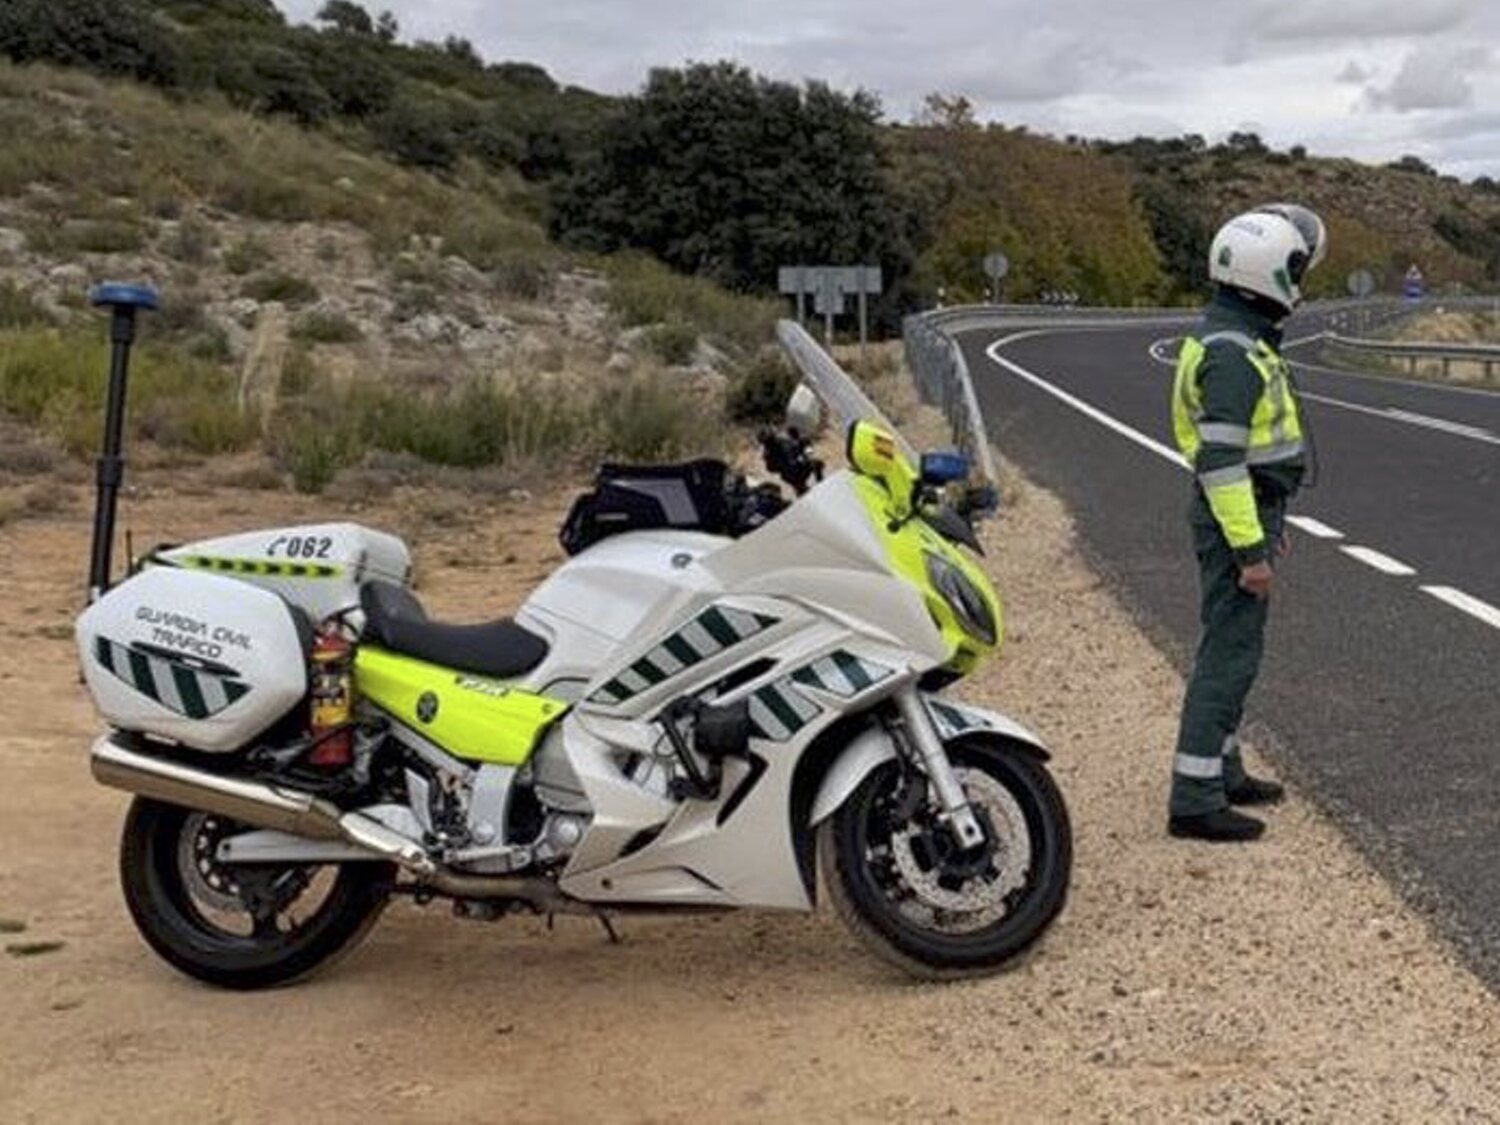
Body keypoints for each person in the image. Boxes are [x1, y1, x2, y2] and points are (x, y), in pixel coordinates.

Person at [1167, 203, 1327, 842]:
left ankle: (1223, 768)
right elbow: (1222, 463)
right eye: (1296, 267)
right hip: (1235, 514)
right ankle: (1195, 796)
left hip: (1251, 509)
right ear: (1271, 275)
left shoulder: (1233, 336)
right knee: (1228, 656)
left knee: (1236, 648)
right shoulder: (1233, 354)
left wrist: (1266, 524)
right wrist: (1250, 548)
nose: (1301, 279)